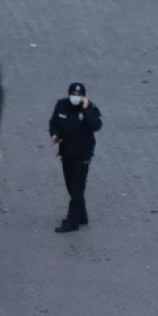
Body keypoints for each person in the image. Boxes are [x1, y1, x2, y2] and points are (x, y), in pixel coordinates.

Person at [48, 83, 103, 234]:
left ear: (83, 96)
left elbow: (96, 125)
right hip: (66, 152)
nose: (75, 97)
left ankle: (72, 222)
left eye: (79, 94)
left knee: (77, 189)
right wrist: (54, 134)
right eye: (73, 93)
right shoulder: (62, 105)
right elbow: (54, 122)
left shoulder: (90, 108)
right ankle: (81, 216)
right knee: (71, 185)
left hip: (83, 154)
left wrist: (86, 109)